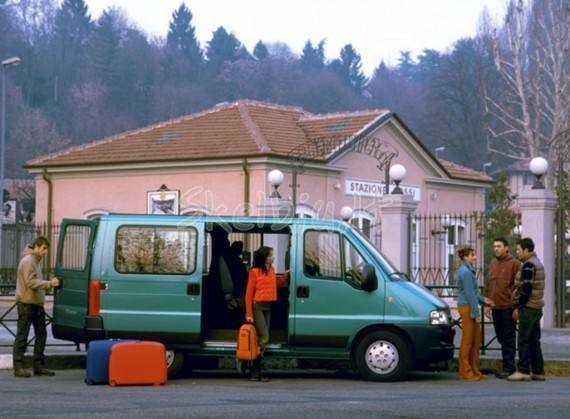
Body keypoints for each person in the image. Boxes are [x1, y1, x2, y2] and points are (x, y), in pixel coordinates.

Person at [13, 237, 60, 378]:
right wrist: (49, 283)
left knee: (41, 334)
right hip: (27, 303)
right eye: (44, 248)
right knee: (23, 335)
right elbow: (30, 282)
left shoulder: (35, 261)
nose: (46, 252)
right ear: (37, 247)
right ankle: (18, 366)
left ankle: (38, 366)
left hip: (36, 304)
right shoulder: (28, 261)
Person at [245, 246, 289, 382]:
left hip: (268, 306)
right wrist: (249, 313)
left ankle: (256, 370)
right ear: (264, 257)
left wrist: (286, 275)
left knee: (263, 338)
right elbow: (248, 293)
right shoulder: (254, 272)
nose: (273, 257)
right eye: (270, 255)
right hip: (257, 306)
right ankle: (255, 371)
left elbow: (276, 284)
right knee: (264, 337)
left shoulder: (271, 270)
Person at [508, 237, 545, 382]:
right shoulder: (537, 262)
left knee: (523, 339)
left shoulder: (528, 265)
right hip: (536, 306)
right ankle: (538, 370)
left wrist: (518, 306)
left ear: (526, 250)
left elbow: (527, 288)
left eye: (519, 250)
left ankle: (523, 370)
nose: (517, 252)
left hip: (528, 307)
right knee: (534, 340)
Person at [456, 246, 494, 381]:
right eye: (472, 255)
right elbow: (470, 294)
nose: (475, 257)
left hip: (468, 306)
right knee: (468, 340)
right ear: (466, 257)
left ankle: (473, 370)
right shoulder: (466, 272)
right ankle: (466, 372)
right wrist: (476, 312)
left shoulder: (467, 270)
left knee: (475, 339)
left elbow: (473, 293)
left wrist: (484, 300)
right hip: (467, 307)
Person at [486, 238, 521, 379]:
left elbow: (519, 287)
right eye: (494, 246)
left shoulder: (515, 264)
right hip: (495, 307)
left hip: (508, 307)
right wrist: (488, 304)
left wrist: (516, 307)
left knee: (508, 338)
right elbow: (489, 285)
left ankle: (509, 368)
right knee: (501, 337)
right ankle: (507, 364)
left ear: (506, 248)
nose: (496, 249)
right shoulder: (493, 263)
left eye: (499, 246)